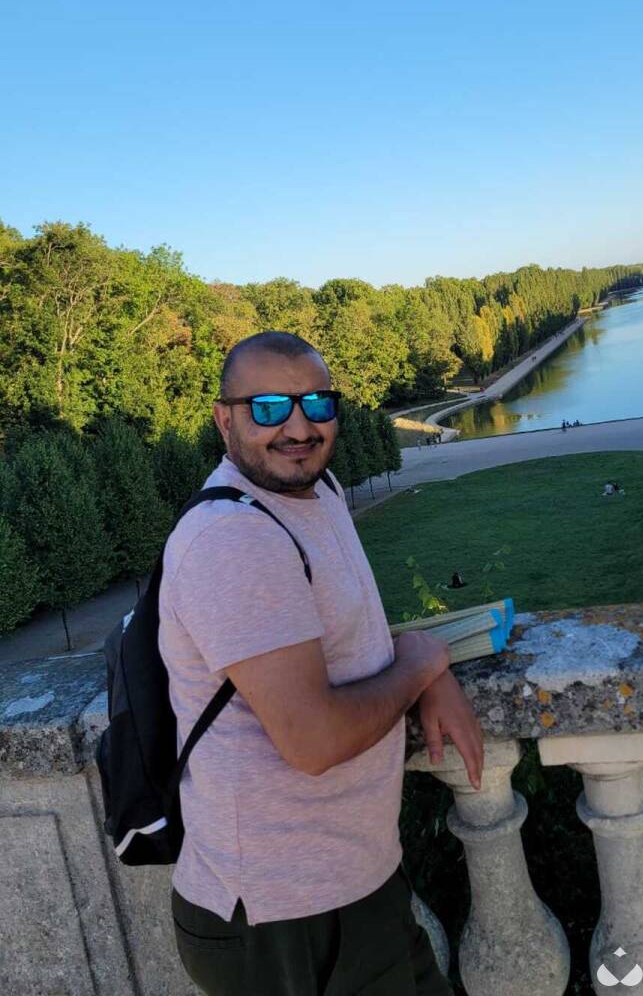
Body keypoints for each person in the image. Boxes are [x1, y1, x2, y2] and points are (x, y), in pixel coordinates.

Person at [159, 331, 481, 996]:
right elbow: (315, 741)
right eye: (269, 407)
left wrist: (431, 671)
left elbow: (346, 637)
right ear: (224, 419)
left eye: (317, 403)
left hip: (351, 882)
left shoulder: (318, 488)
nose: (299, 427)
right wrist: (421, 666)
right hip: (281, 917)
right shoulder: (233, 539)